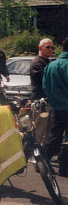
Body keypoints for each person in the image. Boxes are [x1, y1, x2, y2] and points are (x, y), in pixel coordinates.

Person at [42, 38, 68, 177]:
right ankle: (64, 168)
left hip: (57, 106)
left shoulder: (51, 65)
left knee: (55, 134)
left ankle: (43, 161)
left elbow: (45, 86)